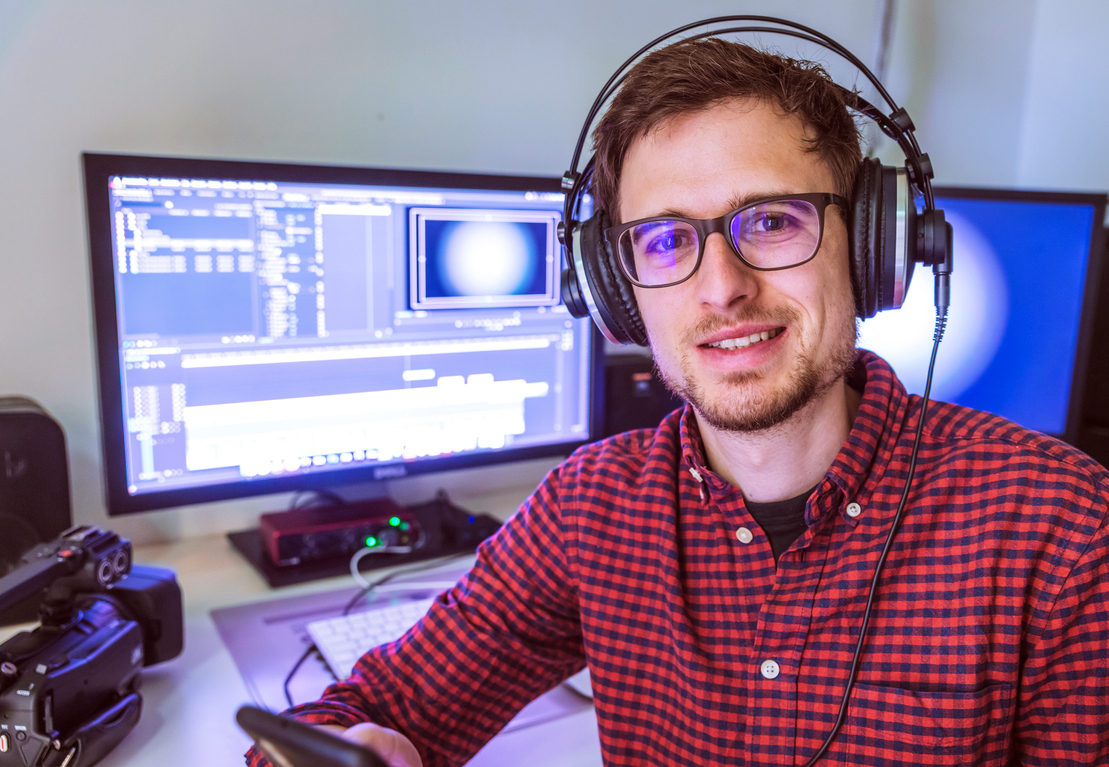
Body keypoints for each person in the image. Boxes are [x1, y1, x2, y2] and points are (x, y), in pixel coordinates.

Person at [247, 36, 1109, 767]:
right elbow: (360, 711)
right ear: (617, 291)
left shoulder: (1060, 528)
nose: (721, 288)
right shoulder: (592, 506)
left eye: (771, 221)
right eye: (665, 240)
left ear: (873, 247)